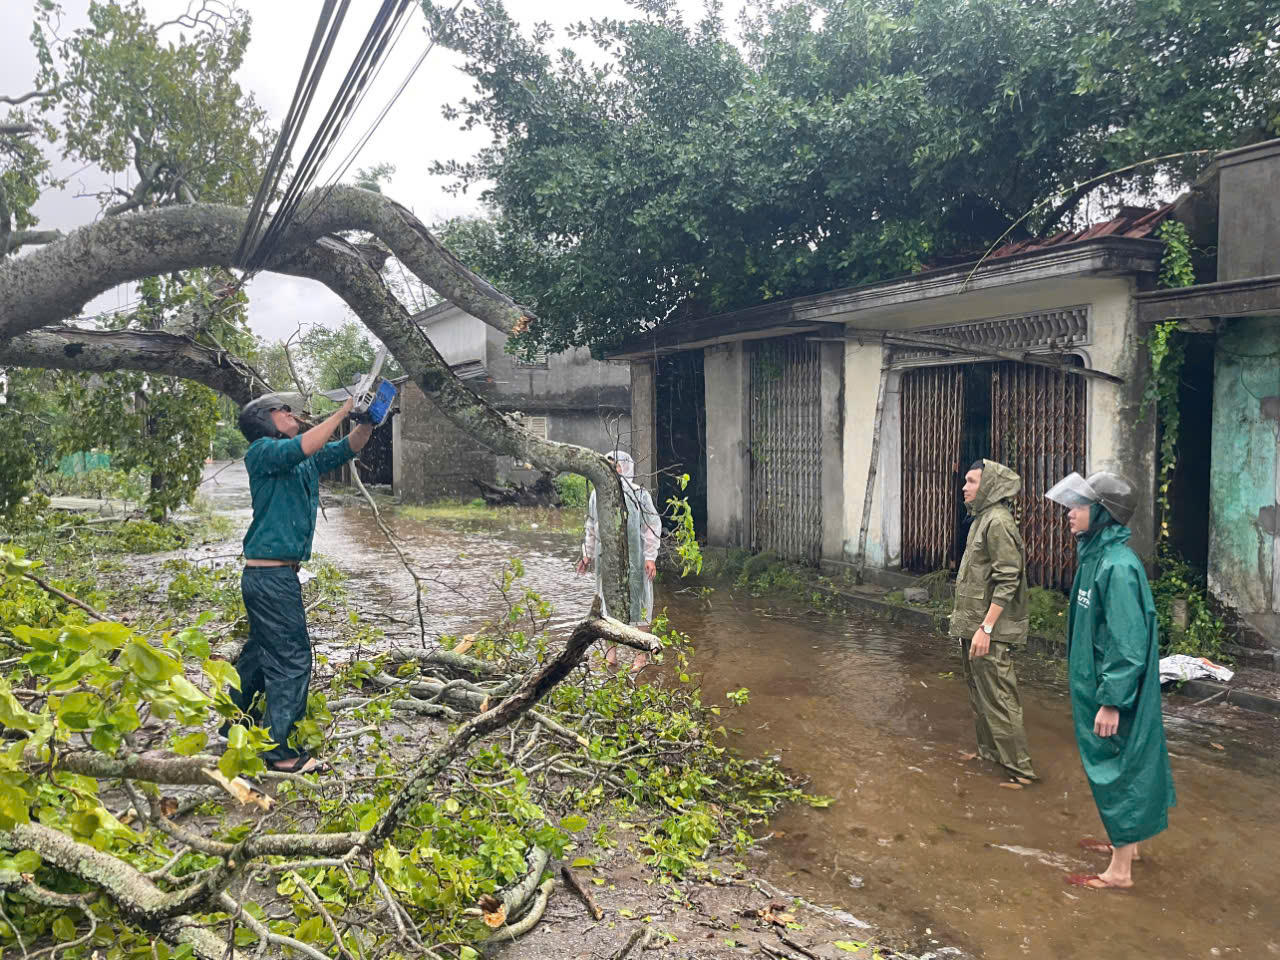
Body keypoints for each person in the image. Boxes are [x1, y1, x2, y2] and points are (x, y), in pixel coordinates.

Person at [228, 393, 373, 774]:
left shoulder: (302, 460)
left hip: (273, 576)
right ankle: (279, 754)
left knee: (262, 653)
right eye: (283, 410)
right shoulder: (261, 452)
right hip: (270, 577)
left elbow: (345, 447)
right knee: (292, 660)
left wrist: (367, 421)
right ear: (264, 419)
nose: (291, 414)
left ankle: (234, 725)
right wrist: (343, 409)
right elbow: (306, 444)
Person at [1046, 470, 1176, 890]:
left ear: (1103, 513)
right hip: (1098, 686)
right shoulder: (1096, 558)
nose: (1071, 513)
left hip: (1113, 692)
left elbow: (1126, 642)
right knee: (1116, 764)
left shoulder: (1117, 568)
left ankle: (1120, 873)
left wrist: (1112, 700)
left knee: (1119, 767)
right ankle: (1128, 845)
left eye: (1080, 507)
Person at [949, 459, 1037, 782]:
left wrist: (986, 628)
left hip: (989, 632)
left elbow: (1008, 579)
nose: (964, 487)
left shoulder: (998, 522)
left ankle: (1021, 771)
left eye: (971, 481)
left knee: (1000, 699)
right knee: (980, 694)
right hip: (975, 630)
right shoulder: (982, 519)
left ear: (987, 486)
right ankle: (989, 754)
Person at [576, 450, 661, 672]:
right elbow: (591, 525)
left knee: (640, 602)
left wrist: (650, 557)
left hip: (636, 558)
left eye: (616, 466)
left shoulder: (639, 494)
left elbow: (651, 526)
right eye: (609, 466)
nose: (613, 470)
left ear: (625, 468)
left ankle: (640, 655)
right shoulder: (598, 495)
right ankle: (610, 655)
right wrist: (587, 554)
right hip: (608, 560)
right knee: (606, 603)